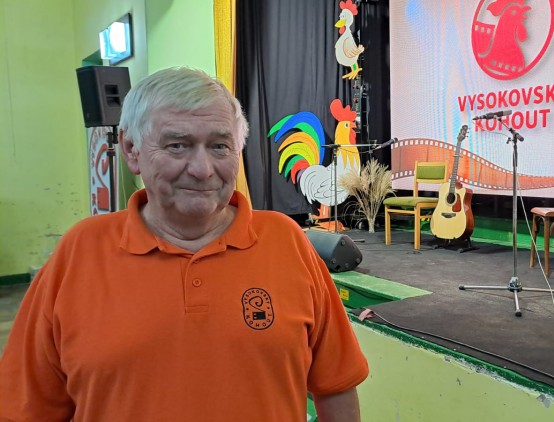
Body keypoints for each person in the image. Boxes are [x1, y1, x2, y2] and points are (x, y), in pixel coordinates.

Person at [0, 67, 369, 421]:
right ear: (131, 150)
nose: (202, 169)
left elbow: (335, 384)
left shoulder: (287, 242)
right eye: (178, 145)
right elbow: (27, 408)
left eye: (219, 146)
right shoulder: (79, 253)